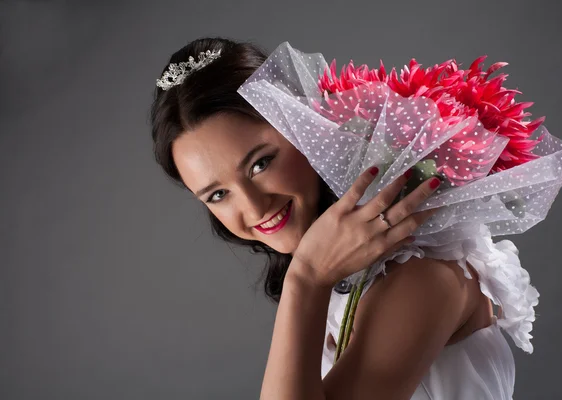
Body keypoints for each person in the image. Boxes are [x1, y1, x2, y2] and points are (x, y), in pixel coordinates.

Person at [151, 37, 515, 399]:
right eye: (218, 195)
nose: (254, 207)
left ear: (305, 128)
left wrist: (305, 279)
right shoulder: (344, 276)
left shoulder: (421, 274)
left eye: (260, 164)